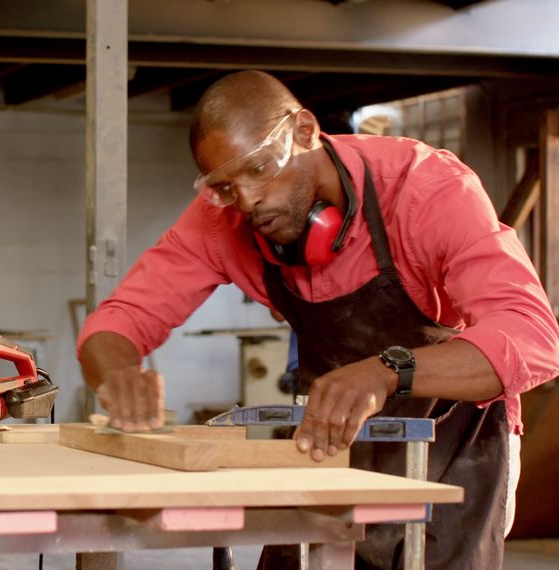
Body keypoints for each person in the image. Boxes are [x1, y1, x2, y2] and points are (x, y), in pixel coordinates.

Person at [76, 70, 559, 568]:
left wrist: (386, 370)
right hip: (326, 442)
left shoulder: (425, 188)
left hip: (453, 452)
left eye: (259, 169)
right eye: (225, 187)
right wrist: (117, 374)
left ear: (305, 131)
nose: (246, 201)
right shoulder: (225, 219)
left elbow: (534, 338)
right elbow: (119, 319)